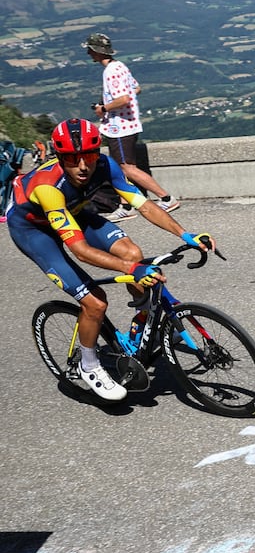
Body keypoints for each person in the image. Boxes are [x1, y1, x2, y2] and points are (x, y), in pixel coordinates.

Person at [6, 119, 214, 401]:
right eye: (72, 159)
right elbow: (81, 251)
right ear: (60, 157)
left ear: (97, 153)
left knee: (133, 253)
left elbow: (143, 205)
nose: (83, 166)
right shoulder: (48, 187)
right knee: (95, 301)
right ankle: (89, 365)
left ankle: (143, 324)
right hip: (34, 230)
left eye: (89, 156)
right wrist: (133, 270)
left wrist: (186, 234)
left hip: (73, 212)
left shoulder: (106, 165)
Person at [84, 32, 180, 221]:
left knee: (128, 168)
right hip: (128, 124)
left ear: (97, 51)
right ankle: (126, 206)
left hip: (120, 127)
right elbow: (136, 88)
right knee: (120, 170)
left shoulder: (110, 71)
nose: (88, 53)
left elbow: (124, 98)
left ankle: (166, 198)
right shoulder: (120, 66)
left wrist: (103, 108)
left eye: (90, 49)